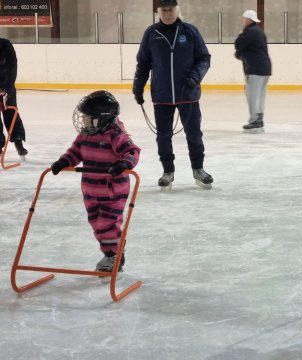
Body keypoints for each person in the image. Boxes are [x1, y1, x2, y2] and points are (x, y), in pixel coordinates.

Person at [50, 91, 140, 279]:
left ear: (101, 119)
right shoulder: (85, 136)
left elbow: (132, 151)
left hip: (113, 190)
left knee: (107, 223)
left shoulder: (115, 135)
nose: (83, 121)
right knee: (96, 224)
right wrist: (63, 162)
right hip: (90, 189)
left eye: (87, 118)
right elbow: (75, 152)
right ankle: (110, 253)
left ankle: (114, 256)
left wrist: (124, 164)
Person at [133, 0, 213, 190]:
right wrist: (138, 87)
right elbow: (143, 63)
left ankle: (198, 169)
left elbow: (204, 58)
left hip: (188, 94)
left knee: (194, 134)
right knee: (163, 136)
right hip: (162, 95)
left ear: (177, 11)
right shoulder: (151, 34)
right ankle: (167, 172)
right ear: (159, 12)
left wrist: (195, 77)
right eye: (164, 10)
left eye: (171, 10)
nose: (168, 14)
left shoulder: (190, 31)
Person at [234, 10, 272, 134]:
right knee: (260, 96)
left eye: (244, 19)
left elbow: (238, 44)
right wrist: (241, 53)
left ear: (249, 20)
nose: (243, 21)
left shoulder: (250, 32)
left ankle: (255, 121)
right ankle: (259, 119)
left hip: (255, 69)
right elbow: (250, 49)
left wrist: (239, 52)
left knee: (252, 96)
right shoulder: (259, 32)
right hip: (264, 68)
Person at [0, 37, 27, 156]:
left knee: (11, 111)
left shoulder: (5, 45)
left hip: (7, 85)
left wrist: (5, 87)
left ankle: (18, 140)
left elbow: (12, 67)